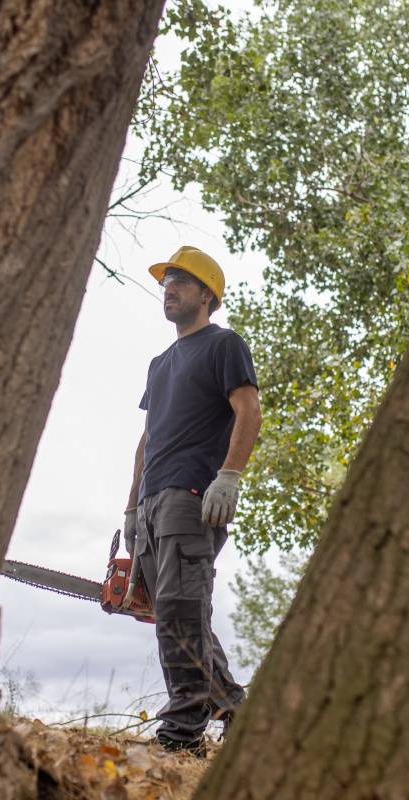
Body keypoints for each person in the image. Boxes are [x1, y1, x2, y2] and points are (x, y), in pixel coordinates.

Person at [122, 245, 262, 756]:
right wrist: (131, 506)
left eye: (180, 281)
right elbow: (147, 437)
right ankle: (237, 711)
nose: (170, 289)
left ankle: (181, 735)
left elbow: (249, 410)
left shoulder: (223, 345)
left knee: (181, 610)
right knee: (181, 615)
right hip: (154, 498)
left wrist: (230, 476)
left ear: (207, 294)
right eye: (166, 282)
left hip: (193, 495)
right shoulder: (160, 363)